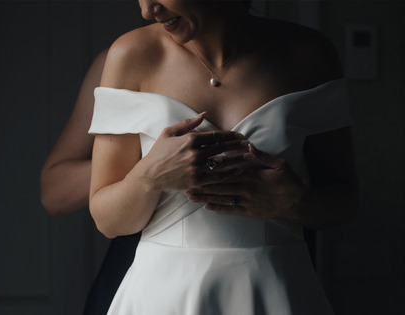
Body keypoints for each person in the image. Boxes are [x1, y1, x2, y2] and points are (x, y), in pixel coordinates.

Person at [89, 0, 357, 313]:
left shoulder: (309, 54)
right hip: (163, 295)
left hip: (275, 290)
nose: (148, 10)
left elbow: (344, 203)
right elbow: (108, 221)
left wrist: (293, 201)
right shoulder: (131, 55)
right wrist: (150, 176)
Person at [39, 49, 140, 315]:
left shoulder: (265, 57)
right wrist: (139, 160)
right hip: (132, 269)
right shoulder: (121, 59)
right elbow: (54, 193)